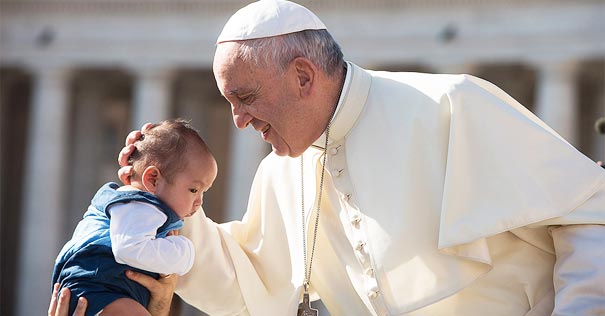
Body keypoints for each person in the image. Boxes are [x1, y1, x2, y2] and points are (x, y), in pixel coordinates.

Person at [51, 1, 605, 315]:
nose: (239, 121)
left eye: (245, 98)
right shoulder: (281, 170)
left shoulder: (452, 106)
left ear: (302, 76)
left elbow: (589, 212)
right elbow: (250, 283)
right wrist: (156, 198)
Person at [50, 119, 218, 316]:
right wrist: (184, 251)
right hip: (98, 286)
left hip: (105, 287)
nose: (199, 202)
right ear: (152, 179)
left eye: (203, 193)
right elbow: (129, 248)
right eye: (193, 190)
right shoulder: (139, 205)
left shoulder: (139, 207)